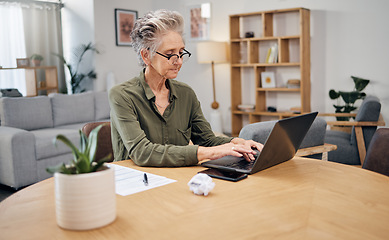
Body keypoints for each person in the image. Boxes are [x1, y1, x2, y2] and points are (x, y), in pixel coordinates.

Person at [109, 9, 263, 167]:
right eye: (170, 54)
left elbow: (207, 139)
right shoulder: (122, 95)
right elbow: (142, 152)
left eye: (181, 52)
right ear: (146, 56)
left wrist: (237, 142)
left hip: (178, 177)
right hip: (135, 181)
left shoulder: (186, 93)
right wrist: (211, 152)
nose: (179, 61)